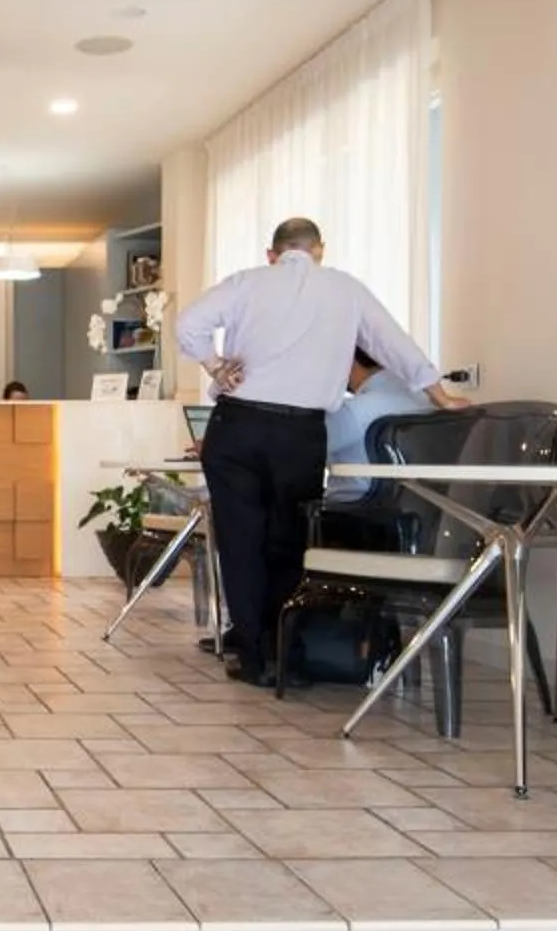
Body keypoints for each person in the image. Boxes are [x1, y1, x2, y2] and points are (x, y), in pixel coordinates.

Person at [170, 216, 456, 685]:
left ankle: (253, 654)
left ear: (273, 253)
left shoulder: (248, 282)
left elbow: (189, 324)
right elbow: (391, 342)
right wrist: (440, 395)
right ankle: (283, 651)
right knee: (287, 541)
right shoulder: (345, 289)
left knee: (241, 542)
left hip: (237, 424)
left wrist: (216, 366)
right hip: (300, 432)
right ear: (320, 250)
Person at [323, 350, 434, 502]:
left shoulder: (353, 412)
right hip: (420, 513)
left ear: (349, 360)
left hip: (347, 515)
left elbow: (300, 452)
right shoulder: (426, 400)